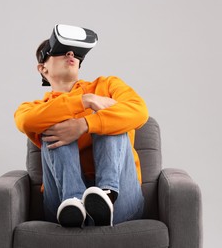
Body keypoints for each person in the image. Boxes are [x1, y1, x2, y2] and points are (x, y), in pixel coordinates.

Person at [14, 25, 148, 228]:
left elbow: (139, 111)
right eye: (60, 50)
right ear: (42, 68)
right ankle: (74, 202)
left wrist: (86, 124)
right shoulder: (35, 108)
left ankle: (106, 195)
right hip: (61, 201)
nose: (70, 54)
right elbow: (25, 121)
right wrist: (85, 101)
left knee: (109, 120)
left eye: (75, 52)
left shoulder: (107, 85)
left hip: (122, 200)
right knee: (52, 121)